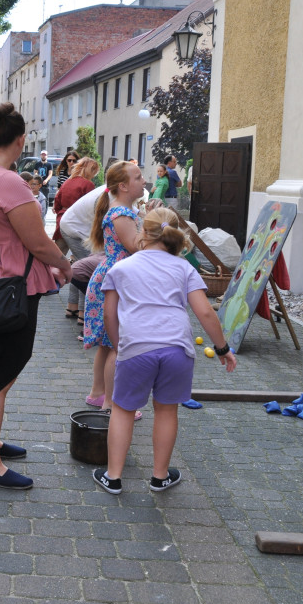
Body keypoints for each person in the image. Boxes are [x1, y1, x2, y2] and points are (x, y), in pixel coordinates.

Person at [0, 103, 73, 490]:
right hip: (10, 290)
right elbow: (38, 242)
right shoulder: (8, 182)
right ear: (21, 140)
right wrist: (67, 266)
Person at [93, 208, 237, 495]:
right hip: (177, 349)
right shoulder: (184, 268)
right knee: (166, 410)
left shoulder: (121, 268)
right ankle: (159, 478)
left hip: (136, 348)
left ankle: (113, 477)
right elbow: (206, 313)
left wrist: (119, 344)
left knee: (122, 410)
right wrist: (222, 348)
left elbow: (109, 315)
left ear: (142, 233)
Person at [82, 161, 146, 417]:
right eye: (138, 177)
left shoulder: (121, 210)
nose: (143, 181)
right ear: (123, 186)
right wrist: (157, 227)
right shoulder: (122, 214)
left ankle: (97, 393)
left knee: (108, 344)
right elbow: (136, 246)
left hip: (111, 279)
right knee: (115, 343)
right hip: (117, 283)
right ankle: (111, 403)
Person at [52, 157, 101, 318]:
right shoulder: (88, 185)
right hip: (78, 226)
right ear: (90, 170)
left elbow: (56, 204)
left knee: (75, 263)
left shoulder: (68, 182)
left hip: (63, 222)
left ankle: (72, 306)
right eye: (94, 172)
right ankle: (82, 311)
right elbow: (93, 208)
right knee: (86, 267)